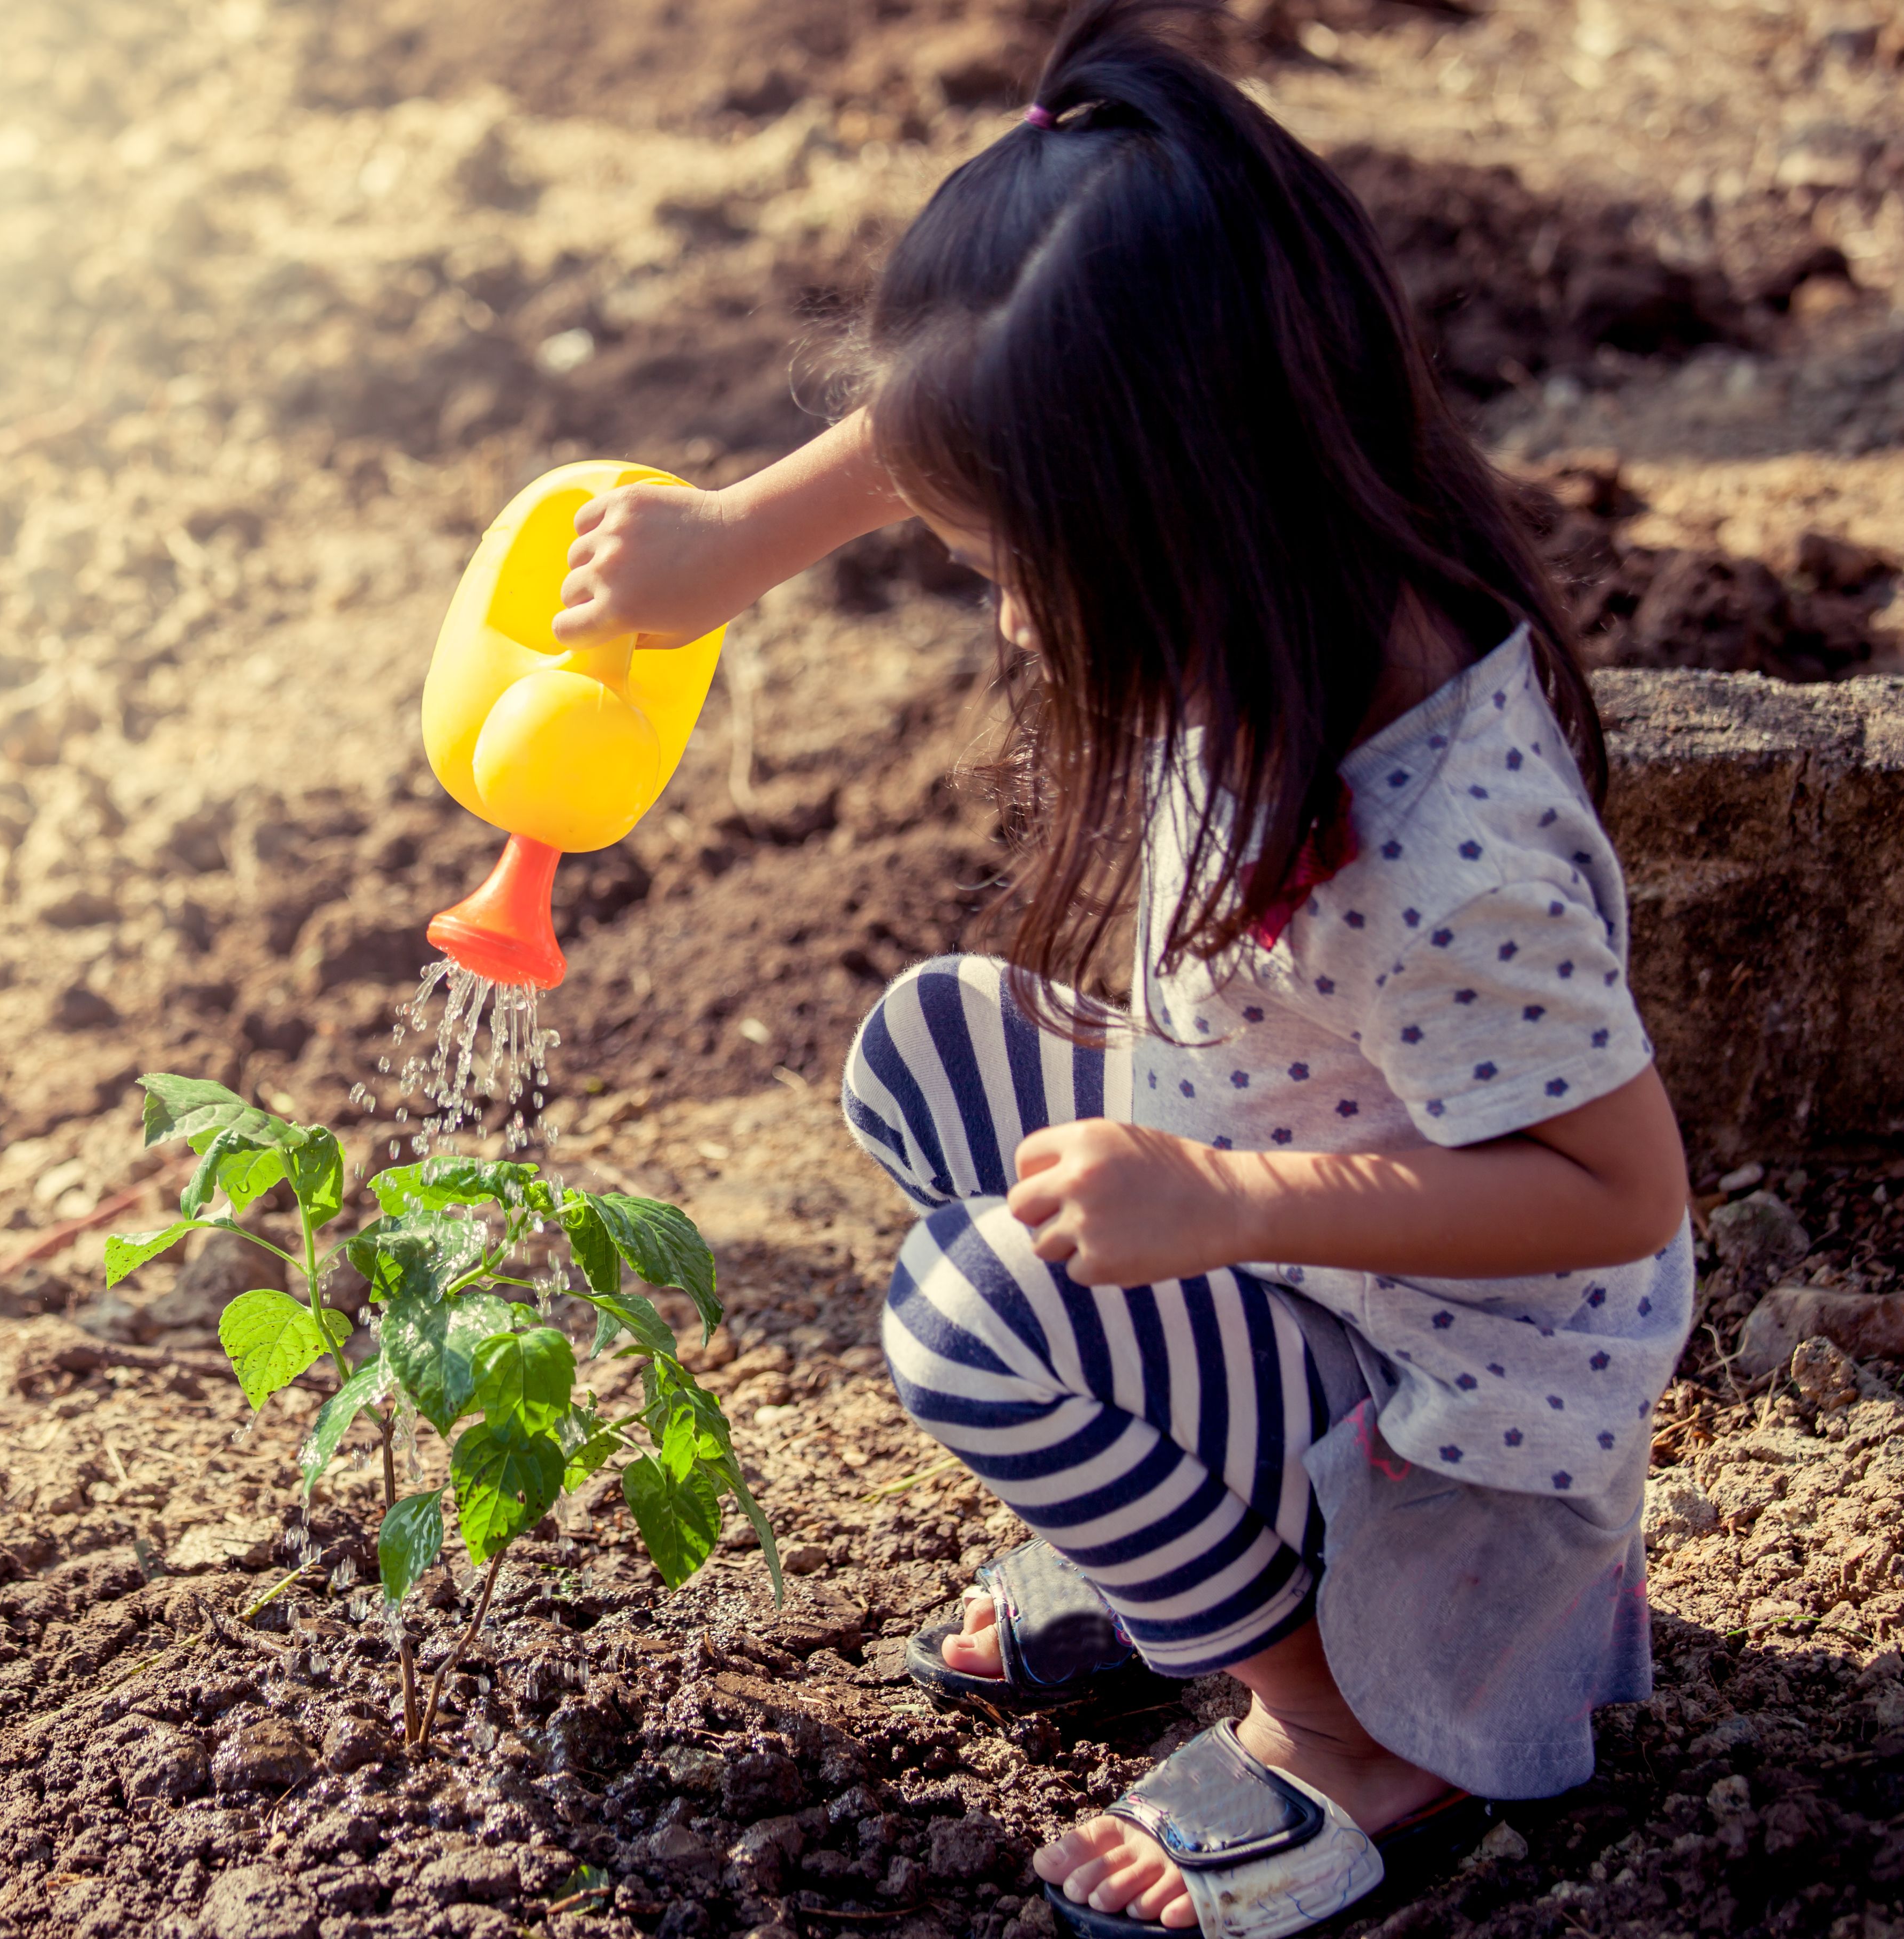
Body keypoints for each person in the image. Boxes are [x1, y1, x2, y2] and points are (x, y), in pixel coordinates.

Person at [545, 3, 1696, 1933]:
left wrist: (1225, 1198)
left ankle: (1349, 1716)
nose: (1003, 609)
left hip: (1457, 1414)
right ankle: (1209, 1517)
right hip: (1308, 1238)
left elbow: (1615, 1195)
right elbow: (961, 419)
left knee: (968, 1318)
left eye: (1022, 563)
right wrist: (731, 544)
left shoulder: (1436, 853)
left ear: (1167, 503)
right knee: (928, 1056)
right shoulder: (1262, 556)